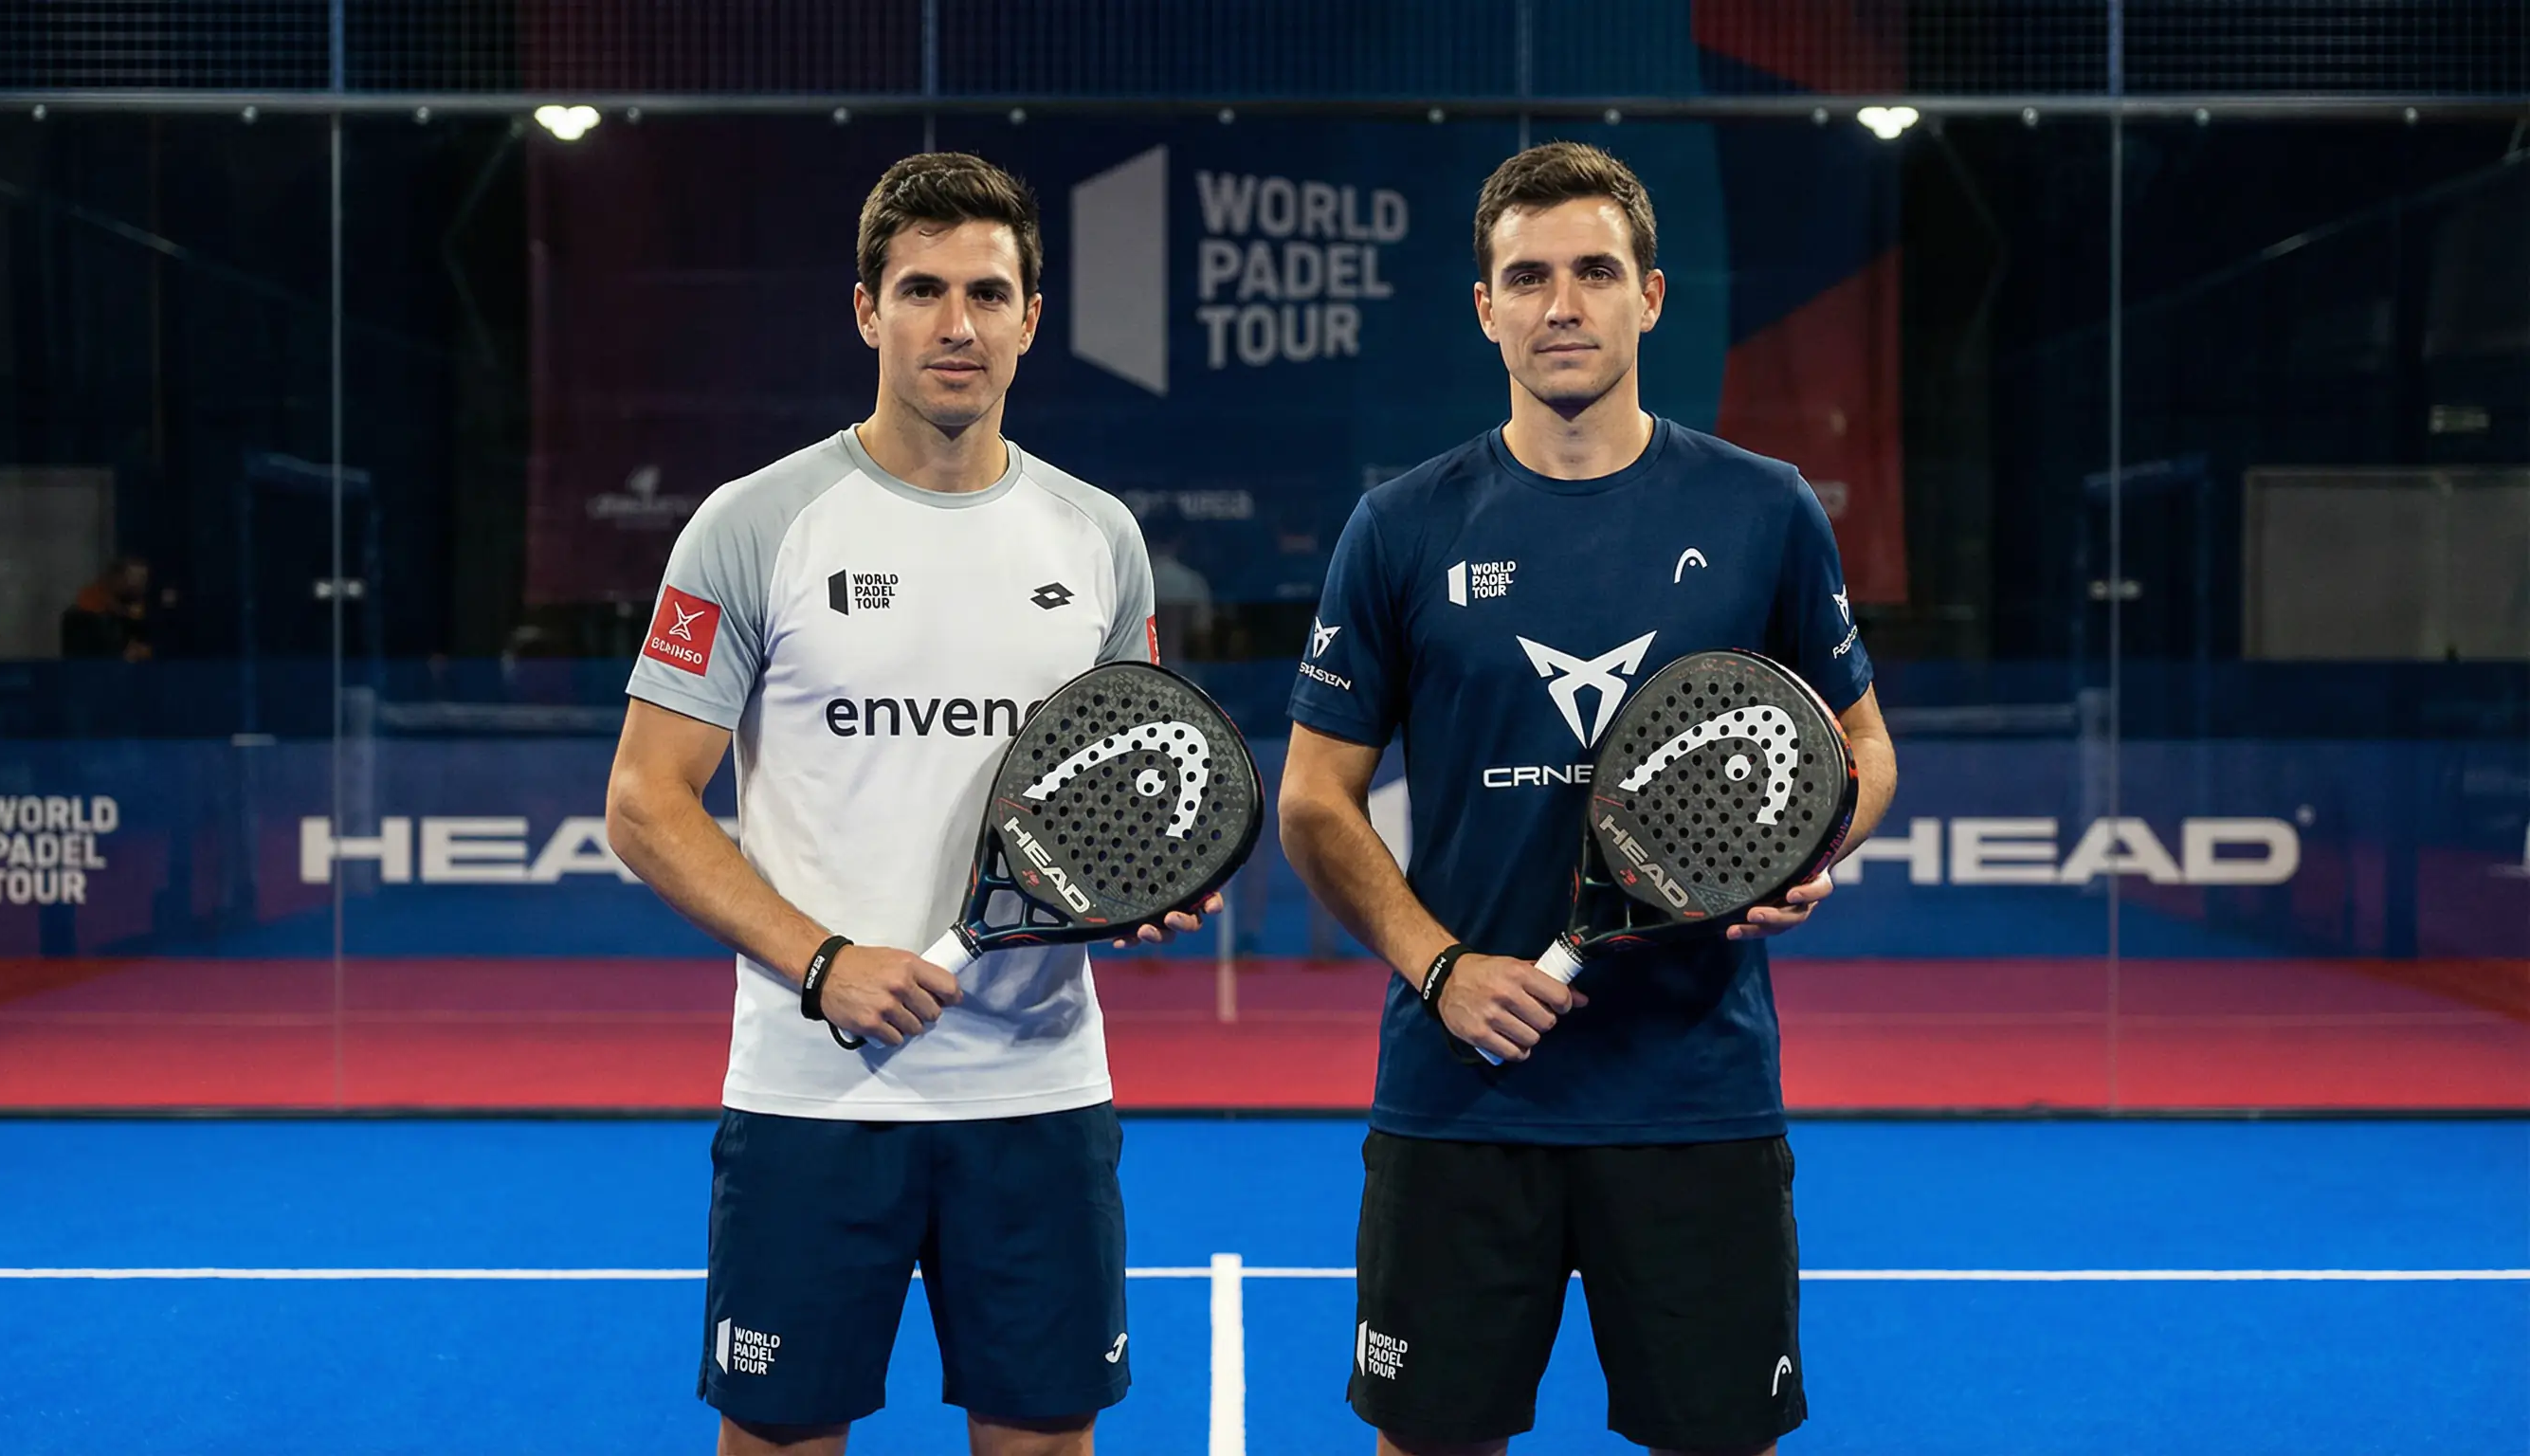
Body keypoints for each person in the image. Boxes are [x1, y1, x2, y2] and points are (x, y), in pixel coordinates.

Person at [1277, 141, 1902, 1456]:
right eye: (1529, 276)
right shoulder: (1398, 527)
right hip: (1462, 1094)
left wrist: (1812, 844)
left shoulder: (1765, 510)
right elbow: (1316, 803)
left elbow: (1861, 746)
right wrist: (1440, 967)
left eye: (1595, 271)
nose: (1562, 303)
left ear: (1651, 297)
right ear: (1485, 307)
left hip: (1694, 1097)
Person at [605, 151, 1213, 1456]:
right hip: (812, 1100)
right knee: (779, 1442)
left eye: (988, 294)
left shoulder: (1097, 536)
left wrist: (1145, 890)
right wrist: (820, 961)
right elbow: (648, 804)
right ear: (867, 310)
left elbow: (1130, 784)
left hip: (1039, 1093)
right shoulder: (751, 524)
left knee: (1045, 1438)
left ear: (1031, 317)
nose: (957, 325)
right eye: (923, 290)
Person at [60, 555, 152, 661]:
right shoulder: (90, 604)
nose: (139, 585)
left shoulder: (136, 607)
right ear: (117, 578)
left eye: (143, 578)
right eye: (135, 578)